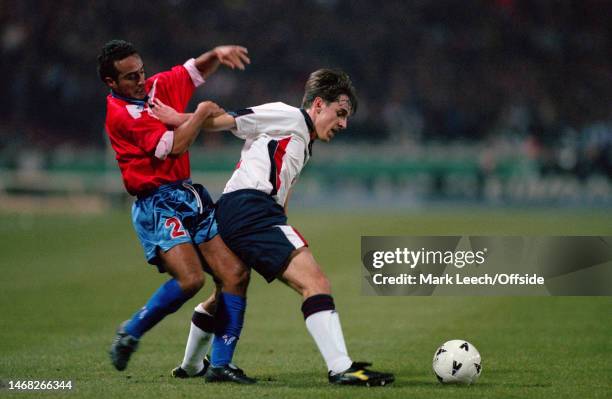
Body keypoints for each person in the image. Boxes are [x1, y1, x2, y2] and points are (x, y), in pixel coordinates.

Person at [153, 69, 395, 386]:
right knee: (315, 281)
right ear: (319, 104)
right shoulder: (287, 115)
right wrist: (180, 116)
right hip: (250, 208)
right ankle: (341, 367)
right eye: (340, 113)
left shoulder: (303, 141)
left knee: (229, 285)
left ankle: (192, 364)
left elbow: (282, 191)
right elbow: (225, 120)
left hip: (247, 210)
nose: (343, 124)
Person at [98, 39, 256, 383]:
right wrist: (200, 113)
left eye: (141, 71)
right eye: (129, 77)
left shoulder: (153, 87)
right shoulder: (122, 114)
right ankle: (132, 330)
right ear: (111, 83)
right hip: (156, 204)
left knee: (235, 274)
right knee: (191, 280)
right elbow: (174, 146)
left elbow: (193, 71)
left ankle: (220, 364)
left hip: (186, 195)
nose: (140, 80)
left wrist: (216, 54)